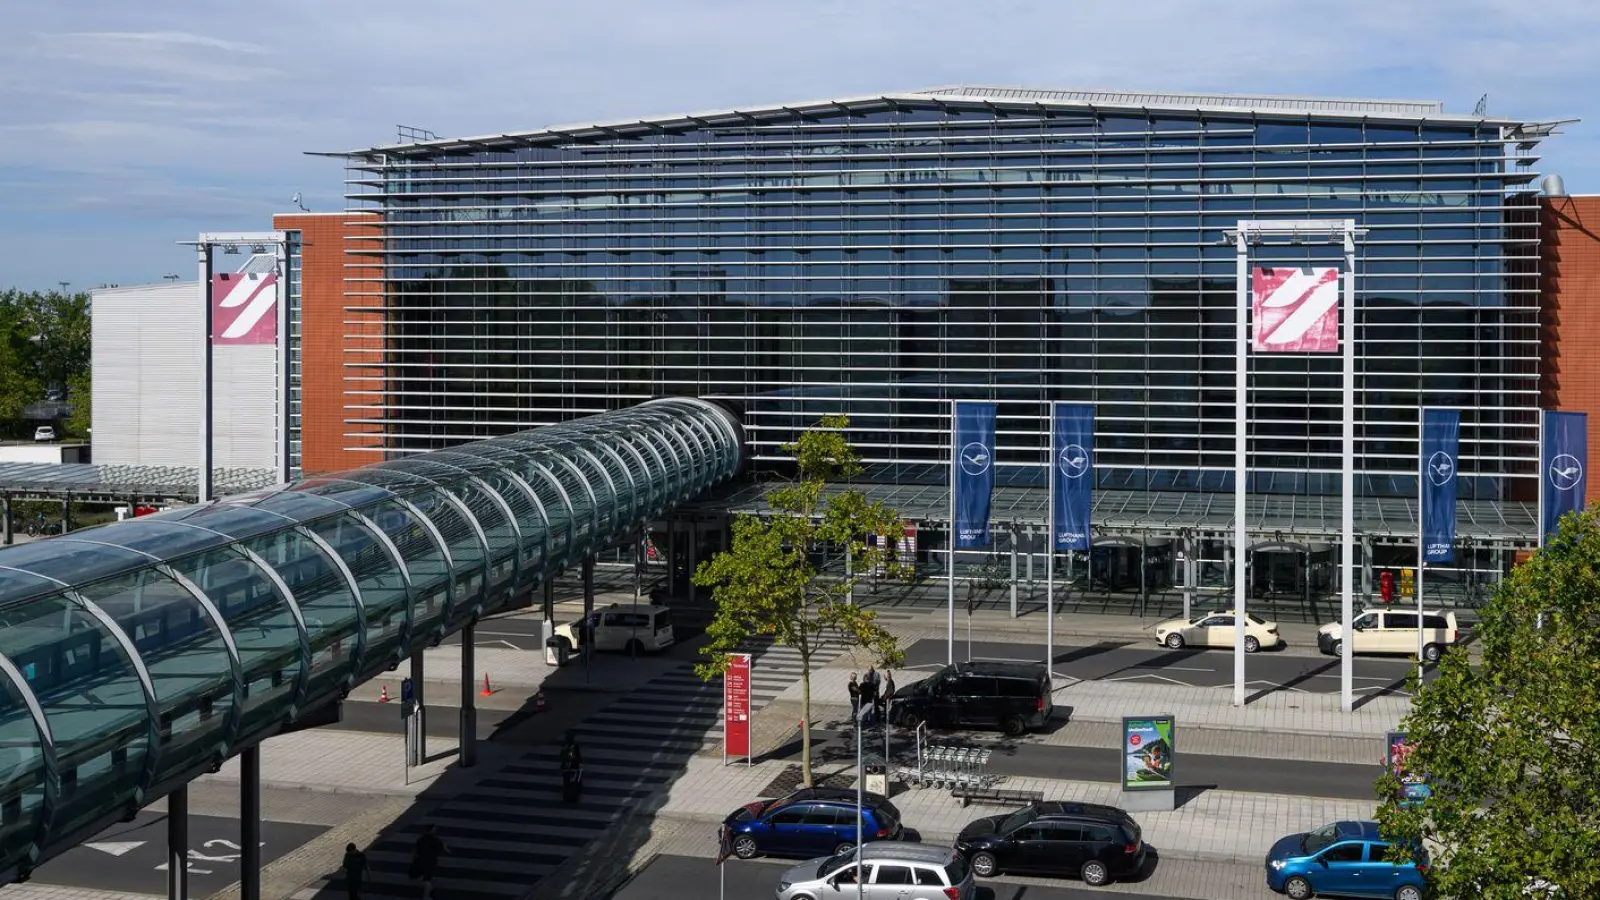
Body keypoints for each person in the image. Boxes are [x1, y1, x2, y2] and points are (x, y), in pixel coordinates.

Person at [409, 824, 448, 900]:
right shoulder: (435, 839)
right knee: (427, 878)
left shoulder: (421, 839)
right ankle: (426, 896)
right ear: (432, 830)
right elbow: (441, 849)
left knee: (426, 876)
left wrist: (414, 859)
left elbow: (415, 850)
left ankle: (430, 889)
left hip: (421, 859)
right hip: (430, 861)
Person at [560, 730, 584, 802]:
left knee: (567, 780)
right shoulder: (574, 745)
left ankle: (567, 794)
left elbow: (562, 755)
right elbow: (578, 755)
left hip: (568, 766)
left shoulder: (565, 746)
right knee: (575, 778)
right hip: (573, 765)